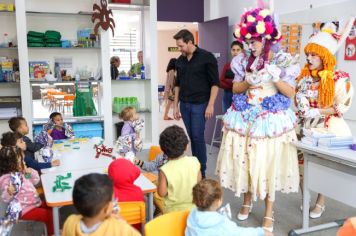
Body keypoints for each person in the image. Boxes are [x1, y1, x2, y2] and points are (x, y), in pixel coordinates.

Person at [215, 8, 300, 232]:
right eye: (247, 41)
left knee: (266, 164)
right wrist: (249, 82)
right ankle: (246, 200)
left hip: (269, 121)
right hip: (245, 117)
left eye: (254, 41)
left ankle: (269, 212)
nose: (250, 45)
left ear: (265, 39)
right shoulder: (242, 61)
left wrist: (274, 76)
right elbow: (236, 89)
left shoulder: (281, 60)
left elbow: (290, 93)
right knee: (244, 159)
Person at [295, 19, 354, 219]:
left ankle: (321, 201)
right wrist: (304, 108)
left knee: (323, 168)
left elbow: (342, 106)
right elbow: (299, 103)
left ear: (325, 56)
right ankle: (306, 196)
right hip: (304, 129)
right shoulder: (304, 78)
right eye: (308, 55)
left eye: (313, 55)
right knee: (301, 165)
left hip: (328, 129)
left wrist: (318, 112)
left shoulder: (339, 79)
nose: (309, 58)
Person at [172, 29, 219, 178]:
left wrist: (211, 104)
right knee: (192, 137)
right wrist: (175, 106)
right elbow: (177, 84)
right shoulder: (180, 60)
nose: (180, 49)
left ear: (190, 42)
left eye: (181, 46)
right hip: (184, 104)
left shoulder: (207, 57)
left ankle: (202, 171)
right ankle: (195, 167)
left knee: (198, 137)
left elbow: (215, 84)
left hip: (200, 104)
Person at [0, 132, 54, 235]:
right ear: (12, 164)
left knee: (50, 207)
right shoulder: (7, 179)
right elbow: (6, 199)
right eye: (21, 161)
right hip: (24, 209)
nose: (24, 163)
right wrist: (9, 192)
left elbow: (34, 181)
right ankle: (52, 233)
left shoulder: (21, 173)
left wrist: (31, 172)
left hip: (33, 203)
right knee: (48, 215)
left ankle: (50, 229)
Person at [186, 179, 272, 236]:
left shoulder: (192, 215)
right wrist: (260, 232)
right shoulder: (222, 223)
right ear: (218, 201)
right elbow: (240, 233)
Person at [62, 173, 141, 236]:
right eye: (113, 200)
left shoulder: (69, 222)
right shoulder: (118, 227)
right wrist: (120, 220)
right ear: (106, 209)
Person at [157, 125, 202, 213]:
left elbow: (161, 193)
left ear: (163, 150)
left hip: (172, 213)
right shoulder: (194, 161)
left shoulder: (165, 169)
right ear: (186, 146)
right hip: (193, 210)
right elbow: (199, 182)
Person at [220, 41, 244, 113]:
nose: (235, 52)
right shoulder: (227, 65)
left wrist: (227, 80)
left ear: (242, 51)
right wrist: (235, 84)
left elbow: (245, 81)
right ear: (231, 51)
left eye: (238, 50)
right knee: (226, 117)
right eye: (233, 50)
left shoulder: (245, 65)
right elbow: (221, 82)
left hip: (240, 95)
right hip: (227, 95)